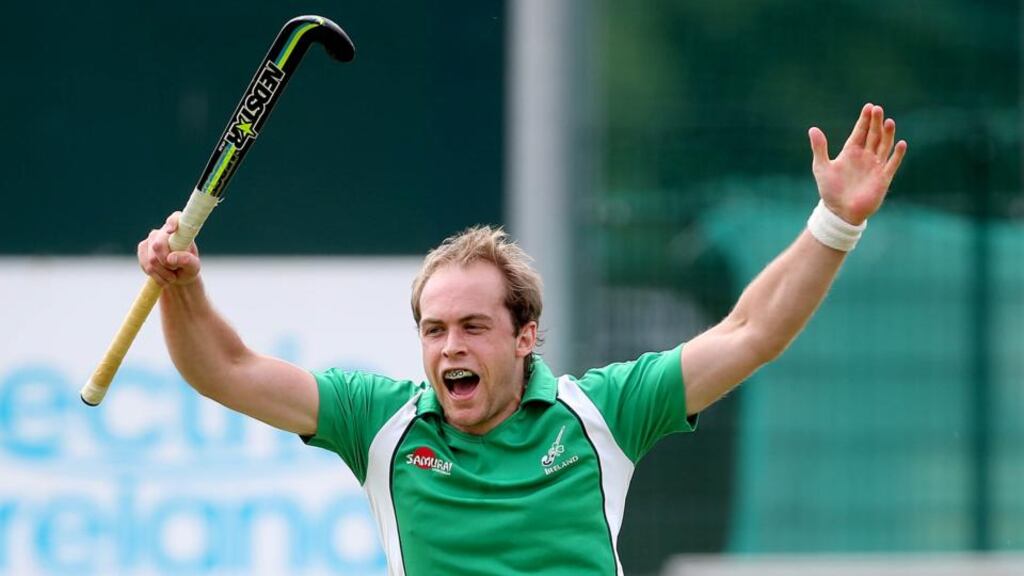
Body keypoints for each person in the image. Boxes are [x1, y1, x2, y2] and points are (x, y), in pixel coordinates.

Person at [139, 103, 906, 575]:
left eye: (474, 327)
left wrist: (836, 223)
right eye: (434, 330)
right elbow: (225, 369)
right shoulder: (380, 424)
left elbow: (751, 331)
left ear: (525, 336)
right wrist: (182, 289)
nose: (451, 348)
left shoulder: (602, 414)